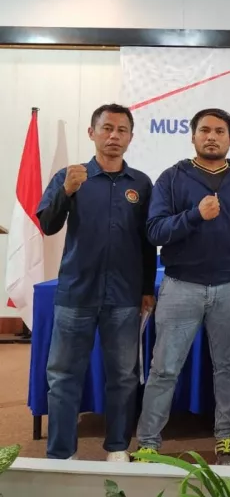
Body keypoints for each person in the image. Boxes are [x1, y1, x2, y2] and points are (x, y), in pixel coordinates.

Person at [135, 108, 230, 465]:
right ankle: (148, 442)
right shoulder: (172, 178)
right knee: (164, 369)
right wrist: (195, 215)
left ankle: (226, 437)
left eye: (220, 131)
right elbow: (155, 231)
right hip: (181, 286)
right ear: (193, 136)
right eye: (205, 130)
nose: (212, 136)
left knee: (229, 368)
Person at [37, 103, 156, 462]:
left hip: (124, 297)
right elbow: (48, 225)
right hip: (77, 293)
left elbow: (147, 242)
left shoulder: (141, 184)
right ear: (92, 133)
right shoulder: (71, 176)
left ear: (130, 137)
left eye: (122, 130)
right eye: (107, 128)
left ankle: (117, 447)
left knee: (123, 376)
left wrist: (146, 289)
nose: (113, 136)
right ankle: (61, 452)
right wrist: (66, 191)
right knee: (63, 376)